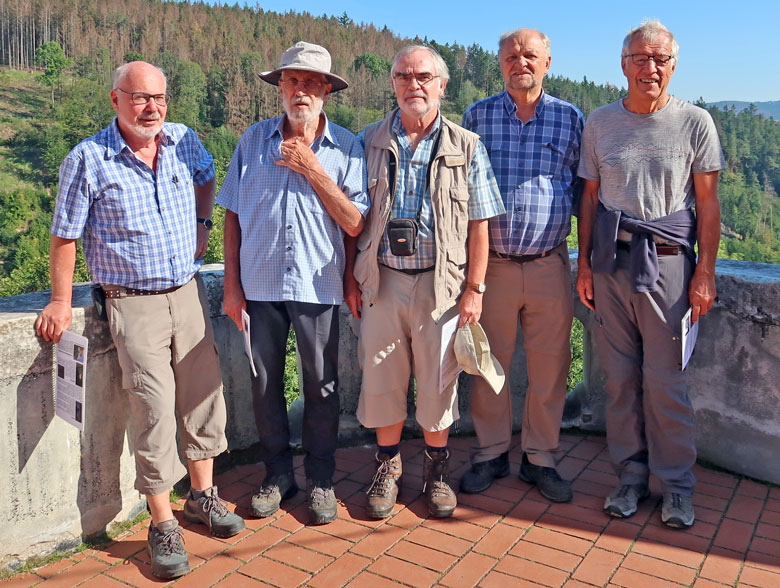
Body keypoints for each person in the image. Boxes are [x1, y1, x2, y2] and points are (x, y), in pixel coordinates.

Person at [34, 61, 245, 579]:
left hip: (188, 294)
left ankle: (202, 495)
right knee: (152, 408)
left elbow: (208, 175)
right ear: (115, 100)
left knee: (203, 396)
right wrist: (62, 302)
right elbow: (64, 234)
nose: (152, 108)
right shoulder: (89, 158)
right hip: (132, 302)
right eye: (140, 98)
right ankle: (163, 521)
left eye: (160, 98)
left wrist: (201, 223)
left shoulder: (182, 140)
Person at [345, 45, 504, 519]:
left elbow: (481, 223)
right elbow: (349, 218)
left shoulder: (467, 146)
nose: (413, 84)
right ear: (392, 83)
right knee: (381, 380)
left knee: (439, 383)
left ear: (441, 85)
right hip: (383, 282)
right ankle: (388, 468)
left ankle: (436, 472)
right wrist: (351, 280)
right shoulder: (366, 140)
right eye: (402, 76)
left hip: (443, 287)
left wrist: (474, 289)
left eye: (422, 76)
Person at [575, 20, 724, 529]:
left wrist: (705, 272)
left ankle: (677, 486)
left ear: (673, 66)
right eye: (640, 58)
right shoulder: (599, 123)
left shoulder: (695, 122)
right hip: (611, 263)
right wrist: (584, 267)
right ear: (623, 65)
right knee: (618, 381)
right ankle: (630, 478)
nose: (650, 67)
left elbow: (708, 205)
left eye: (660, 59)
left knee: (665, 382)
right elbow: (589, 200)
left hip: (669, 265)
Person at [218, 42, 368, 525]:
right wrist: (232, 287)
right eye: (292, 81)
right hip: (259, 286)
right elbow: (233, 217)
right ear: (279, 87)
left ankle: (321, 480)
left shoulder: (347, 146)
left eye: (311, 82)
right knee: (265, 386)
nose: (300, 90)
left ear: (327, 91)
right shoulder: (251, 141)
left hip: (318, 284)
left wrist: (312, 168)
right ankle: (278, 475)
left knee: (322, 387)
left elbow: (354, 224)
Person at [460, 29, 583, 502]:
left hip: (551, 262)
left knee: (552, 366)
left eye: (530, 55)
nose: (520, 62)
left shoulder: (571, 120)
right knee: (489, 363)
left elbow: (583, 194)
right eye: (511, 56)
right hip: (493, 267)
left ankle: (540, 458)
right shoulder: (478, 117)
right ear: (500, 64)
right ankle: (491, 452)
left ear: (547, 61)